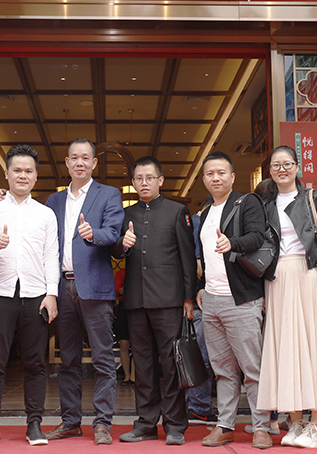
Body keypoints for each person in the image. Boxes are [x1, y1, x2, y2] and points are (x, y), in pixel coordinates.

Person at [256, 150, 317, 449]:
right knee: (285, 348)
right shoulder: (266, 204)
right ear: (270, 171)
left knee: (315, 345)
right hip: (277, 279)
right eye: (276, 165)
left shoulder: (313, 197)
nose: (282, 169)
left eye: (287, 164)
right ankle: (296, 422)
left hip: (309, 274)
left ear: (297, 167)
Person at [0, 145, 60, 447]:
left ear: (36, 176)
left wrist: (52, 293)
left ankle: (34, 424)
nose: (22, 175)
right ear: (7, 173)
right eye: (17, 170)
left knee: (35, 363)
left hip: (36, 296)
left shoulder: (46, 214)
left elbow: (52, 255)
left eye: (28, 171)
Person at [43, 138, 125, 445]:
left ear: (94, 163)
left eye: (86, 158)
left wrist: (93, 234)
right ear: (67, 163)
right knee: (68, 361)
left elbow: (113, 232)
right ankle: (70, 422)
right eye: (74, 157)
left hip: (95, 286)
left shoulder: (109, 194)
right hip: (62, 286)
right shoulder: (53, 201)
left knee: (103, 359)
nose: (80, 162)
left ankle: (102, 423)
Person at [111, 156, 196, 446]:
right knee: (143, 364)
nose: (144, 183)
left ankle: (175, 425)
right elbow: (115, 251)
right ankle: (146, 423)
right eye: (139, 178)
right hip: (136, 300)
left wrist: (188, 297)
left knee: (171, 364)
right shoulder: (126, 214)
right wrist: (122, 246)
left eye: (149, 178)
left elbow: (187, 258)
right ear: (133, 182)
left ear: (160, 180)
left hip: (169, 300)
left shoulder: (177, 211)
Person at [196, 151, 272, 450]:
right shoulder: (205, 213)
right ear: (204, 179)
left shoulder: (247, 202)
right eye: (210, 174)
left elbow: (257, 236)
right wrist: (201, 287)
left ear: (232, 176)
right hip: (212, 299)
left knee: (252, 368)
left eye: (221, 173)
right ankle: (225, 425)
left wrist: (232, 243)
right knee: (223, 370)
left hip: (241, 299)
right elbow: (205, 258)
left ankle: (261, 427)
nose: (215, 178)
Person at [187, 195, 217, 426]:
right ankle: (199, 406)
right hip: (201, 300)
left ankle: (193, 403)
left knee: (189, 354)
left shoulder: (190, 222)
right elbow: (199, 265)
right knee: (202, 356)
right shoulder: (200, 222)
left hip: (187, 300)